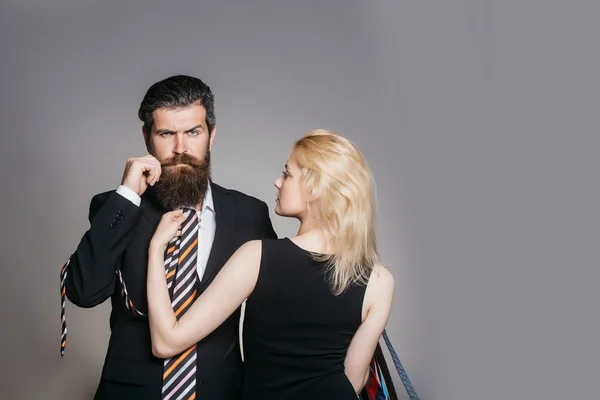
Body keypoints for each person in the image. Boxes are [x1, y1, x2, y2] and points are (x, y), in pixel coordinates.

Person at [60, 74, 277, 400]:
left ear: (211, 135)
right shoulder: (115, 207)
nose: (181, 148)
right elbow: (83, 291)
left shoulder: (250, 214)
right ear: (147, 138)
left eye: (193, 132)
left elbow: (275, 314)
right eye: (166, 134)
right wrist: (127, 195)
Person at [146, 129, 395, 399]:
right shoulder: (380, 280)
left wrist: (156, 248)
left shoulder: (257, 257)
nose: (278, 182)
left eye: (287, 173)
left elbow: (166, 342)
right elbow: (354, 380)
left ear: (314, 189)